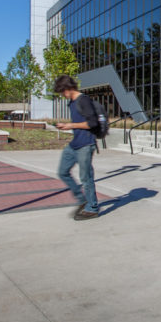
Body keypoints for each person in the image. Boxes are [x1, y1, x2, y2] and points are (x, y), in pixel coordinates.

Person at [54, 75, 100, 220]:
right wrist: (66, 126)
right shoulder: (72, 103)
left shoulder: (83, 100)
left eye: (62, 92)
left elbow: (93, 123)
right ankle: (82, 199)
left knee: (86, 178)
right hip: (75, 144)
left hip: (86, 144)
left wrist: (70, 125)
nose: (62, 95)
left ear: (68, 88)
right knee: (62, 172)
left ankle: (92, 208)